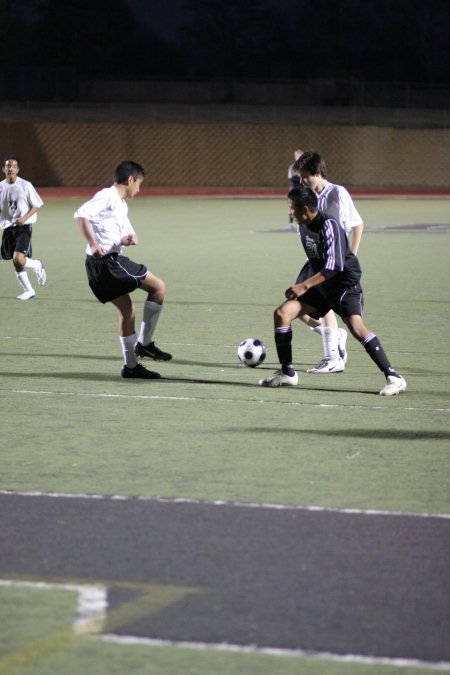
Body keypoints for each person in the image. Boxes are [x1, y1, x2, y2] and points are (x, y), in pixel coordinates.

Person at [259, 186, 407, 396]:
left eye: (293, 209)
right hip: (321, 285)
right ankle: (288, 373)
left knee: (356, 327)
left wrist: (304, 286)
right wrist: (302, 283)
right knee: (282, 314)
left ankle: (394, 377)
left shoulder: (329, 225)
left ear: (307, 209)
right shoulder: (302, 226)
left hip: (343, 284)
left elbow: (333, 267)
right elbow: (314, 261)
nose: (290, 212)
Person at [74, 160, 172, 379]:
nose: (139, 189)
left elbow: (132, 235)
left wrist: (126, 238)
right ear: (130, 179)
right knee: (158, 288)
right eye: (139, 183)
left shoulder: (121, 204)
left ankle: (130, 366)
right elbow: (81, 215)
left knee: (127, 311)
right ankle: (145, 344)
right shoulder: (107, 196)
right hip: (107, 264)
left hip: (99, 266)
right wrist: (92, 242)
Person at [292, 151, 364, 373]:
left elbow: (357, 224)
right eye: (300, 177)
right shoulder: (306, 197)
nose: (302, 181)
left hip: (333, 263)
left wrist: (348, 256)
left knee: (325, 308)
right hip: (314, 260)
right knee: (296, 308)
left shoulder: (338, 193)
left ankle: (332, 357)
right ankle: (333, 335)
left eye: (305, 176)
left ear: (318, 173)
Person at [0, 156, 46, 300]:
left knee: (18, 258)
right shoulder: (1, 186)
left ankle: (37, 265)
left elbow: (37, 204)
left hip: (24, 227)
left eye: (13, 166)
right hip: (8, 227)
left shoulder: (25, 185)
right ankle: (29, 291)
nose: (10, 169)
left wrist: (24, 218)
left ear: (18, 169)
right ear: (3, 170)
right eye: (8, 166)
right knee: (15, 262)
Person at [287, 149, 303, 227]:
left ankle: (302, 222)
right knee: (291, 205)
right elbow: (290, 178)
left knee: (302, 206)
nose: (298, 158)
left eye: (299, 156)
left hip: (302, 189)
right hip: (294, 188)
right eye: (296, 156)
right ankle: (290, 223)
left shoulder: (304, 167)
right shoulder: (291, 167)